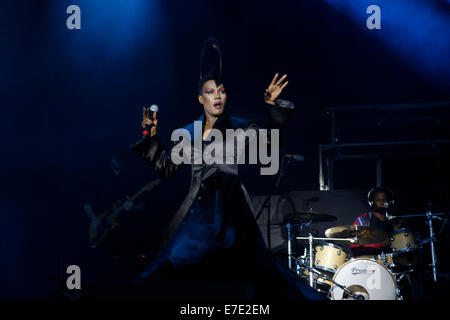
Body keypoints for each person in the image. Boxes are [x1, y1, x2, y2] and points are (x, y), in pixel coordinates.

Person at [128, 38, 324, 300]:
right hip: (198, 212)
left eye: (221, 90)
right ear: (200, 98)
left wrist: (271, 108)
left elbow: (269, 142)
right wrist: (150, 135)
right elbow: (165, 168)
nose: (217, 95)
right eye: (210, 92)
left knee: (249, 272)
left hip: (233, 209)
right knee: (179, 269)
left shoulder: (241, 127)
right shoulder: (189, 133)